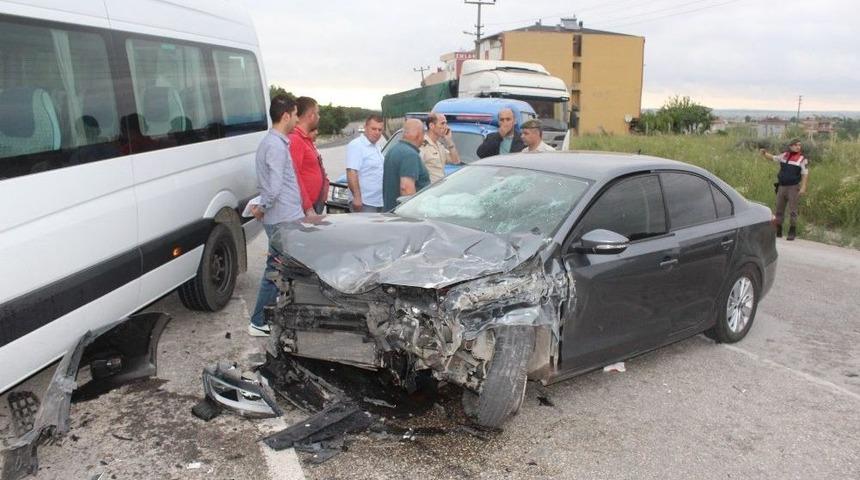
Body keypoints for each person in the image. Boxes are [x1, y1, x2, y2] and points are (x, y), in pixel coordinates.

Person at [248, 95, 304, 336]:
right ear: (286, 116)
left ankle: (275, 315)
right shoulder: (274, 146)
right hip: (282, 217)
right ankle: (258, 321)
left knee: (283, 268)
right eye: (295, 114)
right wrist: (263, 207)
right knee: (275, 268)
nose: (297, 119)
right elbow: (274, 186)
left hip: (284, 215)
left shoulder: (277, 143)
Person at [760, 139, 809, 240]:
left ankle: (792, 230)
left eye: (799, 145)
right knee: (779, 209)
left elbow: (805, 174)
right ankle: (778, 230)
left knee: (793, 210)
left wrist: (803, 187)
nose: (798, 147)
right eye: (795, 145)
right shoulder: (784, 155)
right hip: (782, 187)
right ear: (790, 146)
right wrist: (764, 153)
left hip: (793, 187)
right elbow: (773, 158)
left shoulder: (802, 159)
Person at [289, 96, 327, 215]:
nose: (319, 117)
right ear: (311, 115)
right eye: (318, 113)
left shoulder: (305, 139)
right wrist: (308, 207)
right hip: (305, 208)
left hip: (315, 204)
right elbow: (294, 177)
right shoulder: (295, 139)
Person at [382, 118, 430, 211]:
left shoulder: (394, 149)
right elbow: (406, 189)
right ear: (418, 134)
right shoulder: (410, 155)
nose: (424, 138)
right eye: (423, 134)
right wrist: (413, 213)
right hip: (404, 216)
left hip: (391, 211)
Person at [345, 115, 386, 212]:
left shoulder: (377, 147)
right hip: (364, 202)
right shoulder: (357, 145)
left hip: (378, 201)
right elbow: (351, 172)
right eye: (373, 129)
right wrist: (357, 197)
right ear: (365, 127)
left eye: (380, 130)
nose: (377, 132)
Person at [419, 112, 460, 182]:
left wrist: (449, 141)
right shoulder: (422, 145)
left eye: (446, 123)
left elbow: (456, 161)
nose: (446, 127)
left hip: (440, 188)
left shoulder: (439, 145)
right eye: (442, 123)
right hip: (429, 189)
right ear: (431, 126)